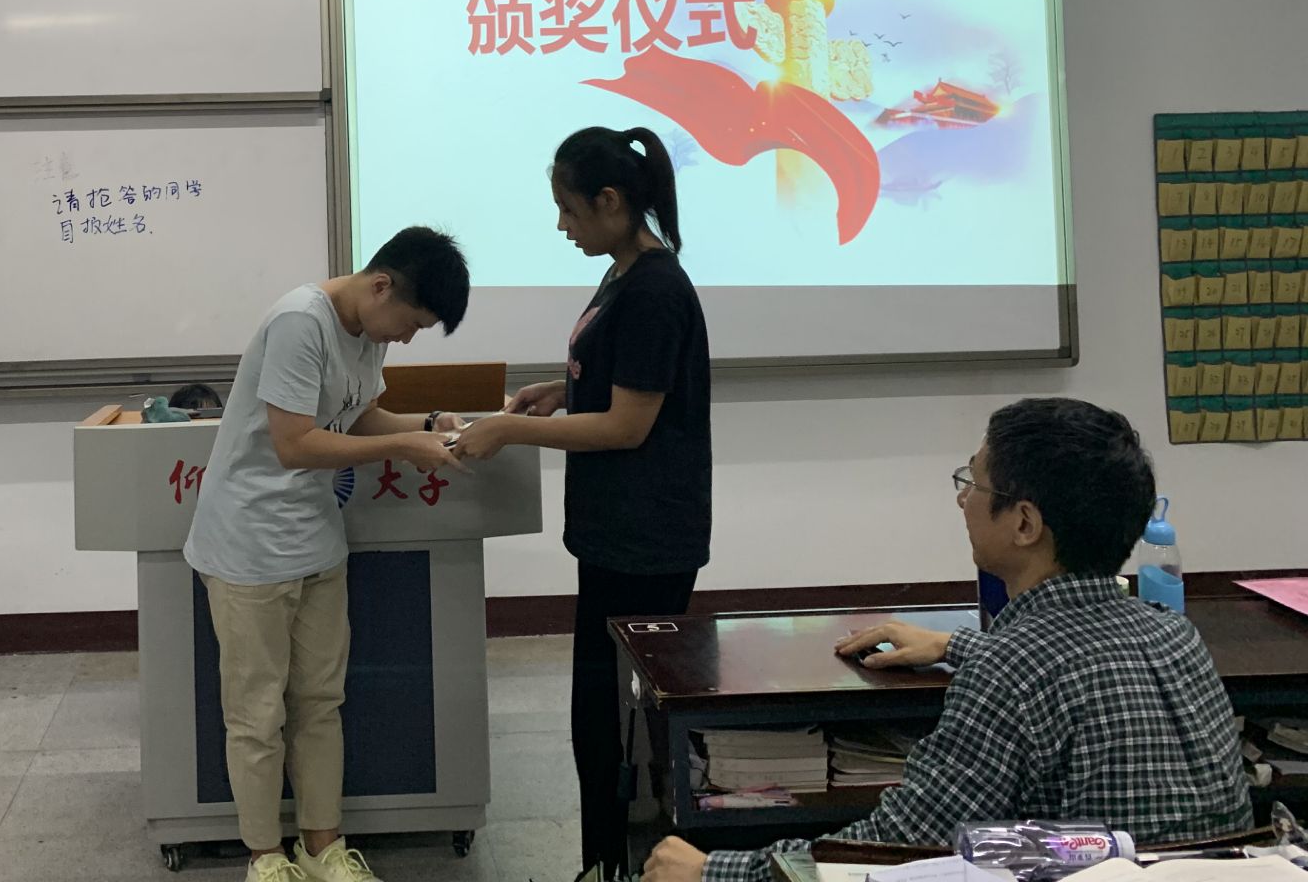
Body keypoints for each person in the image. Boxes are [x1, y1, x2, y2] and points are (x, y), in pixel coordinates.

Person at [644, 397, 1253, 882]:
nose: (962, 499)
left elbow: (900, 847)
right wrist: (952, 645)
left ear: (1024, 523)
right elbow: (1072, 662)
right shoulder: (1173, 634)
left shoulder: (1011, 669)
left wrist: (714, 871)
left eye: (974, 485)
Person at [449, 126, 711, 882]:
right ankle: (605, 861)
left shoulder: (655, 289)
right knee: (596, 715)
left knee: (618, 724)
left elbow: (628, 426)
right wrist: (563, 392)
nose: (562, 225)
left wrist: (510, 429)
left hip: (645, 539)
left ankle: (626, 865)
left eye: (569, 208)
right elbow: (621, 384)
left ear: (611, 201)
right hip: (614, 534)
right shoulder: (624, 273)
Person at [183, 226, 471, 882]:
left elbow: (356, 417)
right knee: (257, 712)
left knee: (319, 702)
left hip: (315, 542)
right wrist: (404, 448)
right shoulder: (300, 322)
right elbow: (296, 444)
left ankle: (322, 848)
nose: (408, 339)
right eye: (412, 324)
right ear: (381, 286)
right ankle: (265, 858)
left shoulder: (368, 331)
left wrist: (430, 425)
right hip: (248, 547)